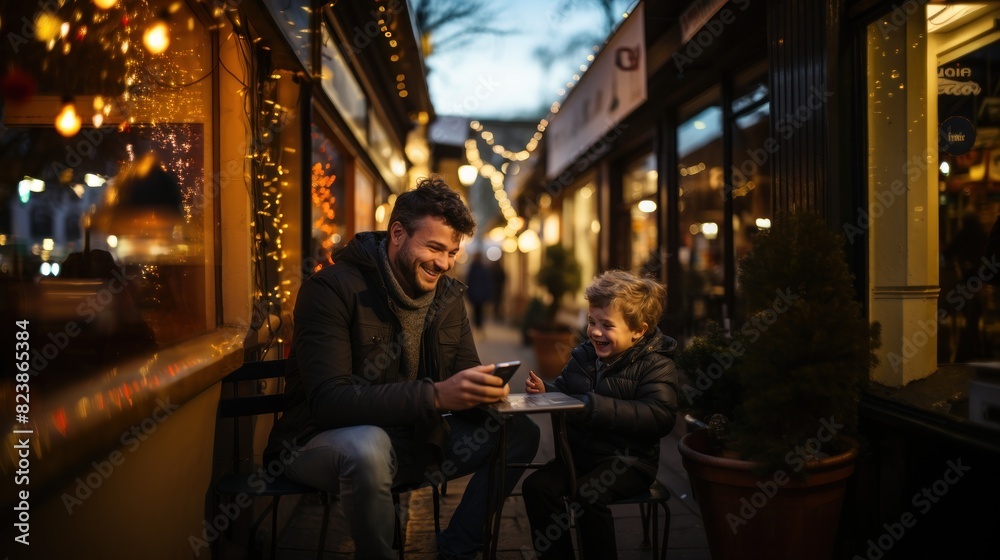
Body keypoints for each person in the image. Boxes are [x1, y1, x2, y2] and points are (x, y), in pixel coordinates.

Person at [264, 177, 540, 560]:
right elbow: (329, 402)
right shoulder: (331, 290)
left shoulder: (447, 297)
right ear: (397, 233)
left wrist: (489, 392)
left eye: (452, 252)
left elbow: (465, 372)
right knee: (368, 444)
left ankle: (456, 546)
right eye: (434, 247)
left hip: (414, 443)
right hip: (321, 443)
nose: (443, 263)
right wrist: (437, 395)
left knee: (520, 432)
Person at [521, 269, 678, 560]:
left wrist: (595, 406)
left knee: (587, 495)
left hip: (629, 462)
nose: (595, 331)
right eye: (592, 322)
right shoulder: (583, 355)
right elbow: (568, 392)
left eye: (607, 325)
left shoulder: (656, 365)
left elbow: (659, 416)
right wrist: (548, 389)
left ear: (638, 330)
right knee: (536, 487)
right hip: (580, 457)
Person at [464, 251, 493, 330]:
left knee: (478, 311)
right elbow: (469, 281)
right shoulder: (478, 268)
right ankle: (478, 326)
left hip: (478, 294)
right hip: (476, 294)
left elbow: (486, 283)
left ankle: (478, 326)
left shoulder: (479, 269)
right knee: (477, 311)